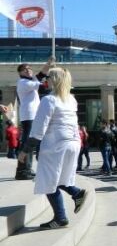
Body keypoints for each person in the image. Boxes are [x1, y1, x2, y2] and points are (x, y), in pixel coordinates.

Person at [18, 67, 86, 229]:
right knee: (59, 178)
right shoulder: (71, 99)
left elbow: (39, 127)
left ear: (54, 80)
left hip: (56, 145)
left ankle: (61, 217)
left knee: (48, 180)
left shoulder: (49, 100)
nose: (45, 80)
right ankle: (76, 193)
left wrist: (25, 150)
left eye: (48, 77)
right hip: (73, 143)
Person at [15, 58, 54, 180]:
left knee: (29, 142)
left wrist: (48, 65)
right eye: (25, 69)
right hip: (29, 116)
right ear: (20, 73)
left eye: (29, 68)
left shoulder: (30, 81)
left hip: (32, 115)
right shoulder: (23, 82)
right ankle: (22, 170)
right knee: (28, 142)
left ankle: (26, 168)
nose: (28, 70)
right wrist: (52, 80)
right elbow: (43, 86)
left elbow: (41, 74)